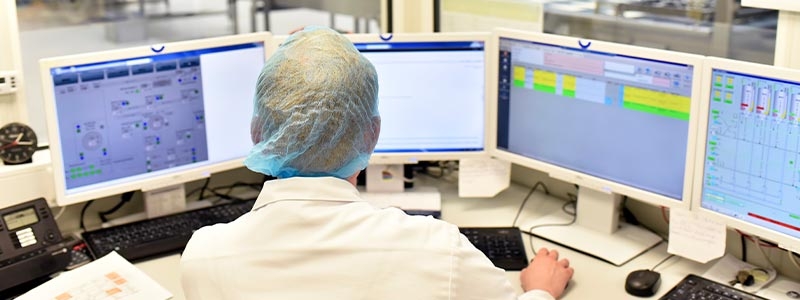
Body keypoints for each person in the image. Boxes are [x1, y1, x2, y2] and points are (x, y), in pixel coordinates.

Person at [180, 26, 574, 300]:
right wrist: (540, 289)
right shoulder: (439, 249)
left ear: (257, 133)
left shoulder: (203, 256)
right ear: (372, 134)